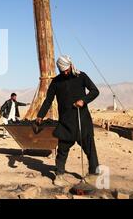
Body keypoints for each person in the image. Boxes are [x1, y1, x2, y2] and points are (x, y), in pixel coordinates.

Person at [36, 55, 100, 187]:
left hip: (82, 121)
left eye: (66, 69)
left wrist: (84, 100)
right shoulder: (56, 82)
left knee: (90, 150)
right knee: (62, 150)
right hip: (66, 122)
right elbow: (48, 100)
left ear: (71, 65)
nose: (65, 72)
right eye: (62, 71)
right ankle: (59, 175)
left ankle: (93, 175)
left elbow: (95, 91)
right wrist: (40, 115)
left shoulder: (81, 76)